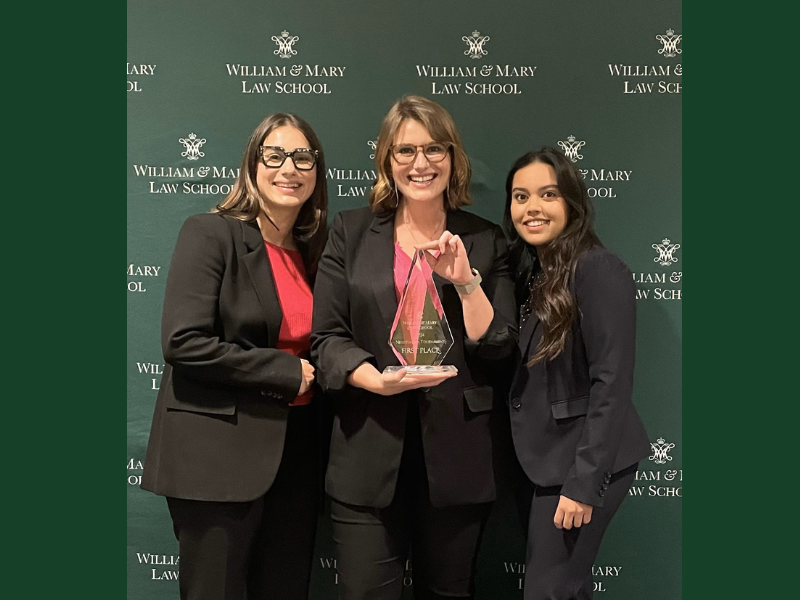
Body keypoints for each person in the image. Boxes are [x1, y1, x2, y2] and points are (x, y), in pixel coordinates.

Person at [311, 95, 517, 600]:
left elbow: (497, 349)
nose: (420, 164)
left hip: (459, 459)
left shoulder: (487, 241)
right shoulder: (351, 232)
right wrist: (374, 380)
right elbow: (327, 338)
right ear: (386, 159)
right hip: (366, 453)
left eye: (434, 149)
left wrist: (467, 283)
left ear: (454, 158)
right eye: (405, 151)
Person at [140, 113, 328, 600]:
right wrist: (285, 371)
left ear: (317, 171)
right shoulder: (210, 233)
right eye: (275, 155)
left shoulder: (316, 252)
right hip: (216, 459)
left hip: (298, 456)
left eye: (303, 157)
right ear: (252, 164)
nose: (290, 168)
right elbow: (183, 341)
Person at [503, 148, 650, 600]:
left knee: (548, 592)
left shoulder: (598, 268)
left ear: (572, 201)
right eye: (520, 196)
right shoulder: (537, 272)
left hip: (580, 467)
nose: (532, 207)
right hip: (544, 464)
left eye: (548, 194)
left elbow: (612, 383)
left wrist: (584, 484)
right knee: (566, 589)